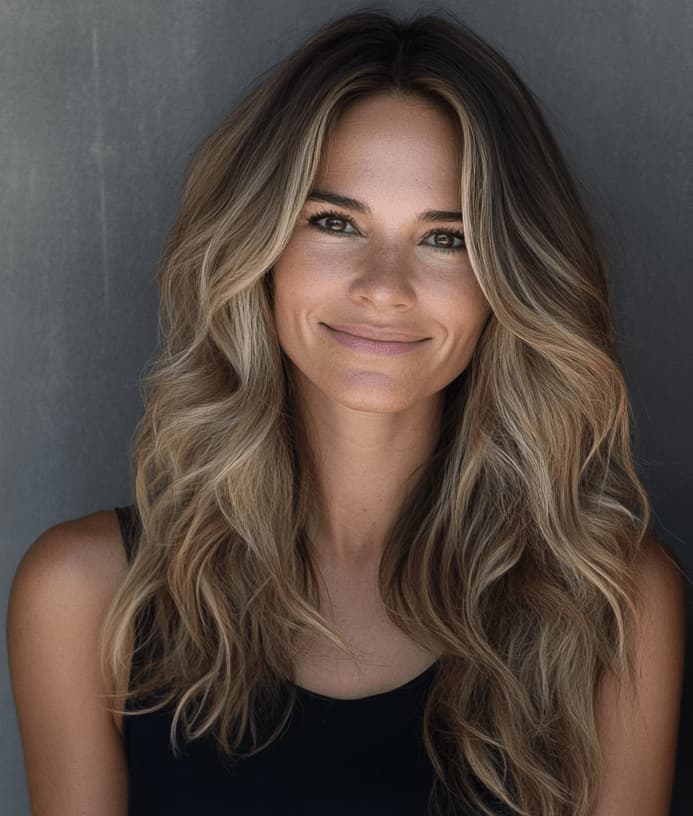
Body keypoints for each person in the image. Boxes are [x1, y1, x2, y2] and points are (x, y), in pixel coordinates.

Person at [7, 7, 686, 816]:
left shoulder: (609, 600)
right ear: (256, 252)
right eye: (333, 223)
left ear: (508, 280)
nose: (383, 285)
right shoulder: (86, 596)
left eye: (446, 238)